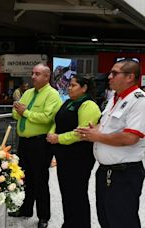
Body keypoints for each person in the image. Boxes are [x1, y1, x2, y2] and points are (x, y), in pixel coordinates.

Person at [76, 58, 145, 228]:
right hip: (105, 172)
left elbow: (131, 137)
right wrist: (95, 130)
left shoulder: (139, 100)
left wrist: (97, 137)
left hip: (124, 174)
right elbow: (106, 126)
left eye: (114, 73)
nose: (109, 77)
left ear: (130, 77)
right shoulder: (116, 98)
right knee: (106, 218)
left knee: (122, 220)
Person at [11, 63, 62, 228]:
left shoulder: (52, 95)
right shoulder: (28, 93)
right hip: (24, 142)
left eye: (37, 74)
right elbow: (15, 112)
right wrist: (22, 111)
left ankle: (43, 216)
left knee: (40, 180)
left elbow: (47, 117)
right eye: (32, 73)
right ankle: (25, 209)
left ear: (47, 77)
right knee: (25, 179)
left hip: (40, 143)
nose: (33, 77)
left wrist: (25, 112)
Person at [46, 74, 101, 228]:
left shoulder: (88, 105)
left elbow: (81, 133)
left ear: (84, 88)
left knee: (77, 194)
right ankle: (69, 223)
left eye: (73, 85)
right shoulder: (69, 102)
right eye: (69, 85)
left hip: (79, 157)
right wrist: (52, 133)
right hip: (64, 156)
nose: (69, 88)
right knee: (67, 193)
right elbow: (57, 121)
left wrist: (58, 138)